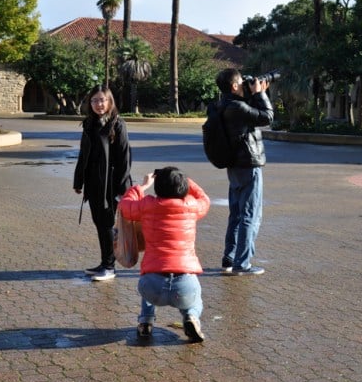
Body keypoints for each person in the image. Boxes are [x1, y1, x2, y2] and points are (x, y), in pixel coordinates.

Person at [119, 167, 210, 342]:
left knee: (149, 277)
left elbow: (124, 206)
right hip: (184, 287)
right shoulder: (191, 206)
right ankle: (191, 317)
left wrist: (142, 186)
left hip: (151, 286)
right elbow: (204, 199)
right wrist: (187, 181)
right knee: (194, 301)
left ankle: (145, 321)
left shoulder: (147, 205)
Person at [215, 68, 274, 276]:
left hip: (235, 166)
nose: (244, 84)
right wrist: (260, 94)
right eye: (241, 82)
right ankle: (243, 263)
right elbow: (267, 117)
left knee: (237, 214)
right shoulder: (237, 107)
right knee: (250, 214)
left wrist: (252, 95)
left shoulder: (223, 104)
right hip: (248, 165)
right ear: (234, 86)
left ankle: (229, 258)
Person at [73, 85, 132, 282]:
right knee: (99, 223)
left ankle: (109, 266)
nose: (99, 104)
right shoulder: (89, 124)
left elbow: (125, 159)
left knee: (107, 223)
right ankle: (104, 262)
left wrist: (123, 188)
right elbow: (83, 155)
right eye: (94, 101)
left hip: (111, 183)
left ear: (109, 101)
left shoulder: (117, 124)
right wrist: (78, 180)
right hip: (94, 183)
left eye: (102, 100)